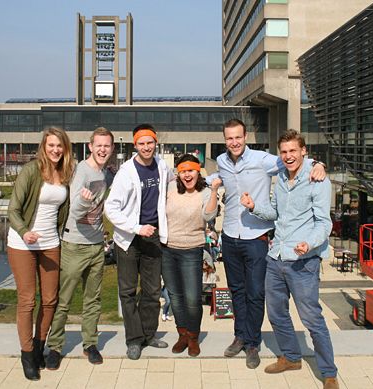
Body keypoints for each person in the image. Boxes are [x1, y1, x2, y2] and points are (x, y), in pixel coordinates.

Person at [208, 118, 326, 369]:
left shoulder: (264, 160)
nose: (234, 142)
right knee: (236, 291)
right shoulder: (221, 162)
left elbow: (292, 161)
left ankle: (253, 343)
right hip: (230, 235)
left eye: (238, 137)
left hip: (257, 237)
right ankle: (240, 336)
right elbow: (213, 177)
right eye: (229, 138)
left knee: (255, 293)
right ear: (225, 140)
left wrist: (318, 164)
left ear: (245, 137)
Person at [240, 129, 338, 389]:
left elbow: (324, 223)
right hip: (277, 257)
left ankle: (328, 373)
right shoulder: (281, 177)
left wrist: (310, 243)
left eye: (293, 151)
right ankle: (291, 357)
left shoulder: (317, 178)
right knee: (276, 313)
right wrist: (253, 207)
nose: (288, 156)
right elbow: (275, 213)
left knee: (311, 319)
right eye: (284, 152)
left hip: (304, 260)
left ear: (304, 151)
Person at [45, 127, 115, 368]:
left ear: (112, 148)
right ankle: (54, 347)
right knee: (63, 300)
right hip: (74, 245)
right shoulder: (80, 171)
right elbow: (74, 212)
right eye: (99, 145)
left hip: (96, 245)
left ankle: (90, 344)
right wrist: (85, 201)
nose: (102, 149)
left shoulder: (105, 173)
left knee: (93, 300)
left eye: (107, 146)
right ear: (90, 146)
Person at [6, 127, 73, 381]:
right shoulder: (32, 170)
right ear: (43, 147)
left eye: (59, 146)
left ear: (65, 148)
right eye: (51, 145)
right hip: (22, 243)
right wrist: (24, 231)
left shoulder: (65, 172)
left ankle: (38, 347)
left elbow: (66, 208)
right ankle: (26, 355)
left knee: (50, 299)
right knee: (27, 300)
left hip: (50, 243)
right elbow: (13, 209)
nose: (55, 150)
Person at [104, 123, 174, 360]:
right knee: (128, 290)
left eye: (150, 142)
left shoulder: (162, 166)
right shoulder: (126, 172)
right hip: (129, 238)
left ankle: (148, 334)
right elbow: (110, 208)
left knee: (153, 291)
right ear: (136, 145)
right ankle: (134, 339)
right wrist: (136, 227)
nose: (146, 147)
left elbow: (176, 183)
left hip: (153, 235)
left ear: (156, 143)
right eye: (142, 143)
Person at [162, 154, 220, 357]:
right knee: (175, 297)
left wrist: (213, 191)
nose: (187, 175)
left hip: (192, 250)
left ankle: (194, 337)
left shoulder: (204, 191)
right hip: (168, 250)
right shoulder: (169, 189)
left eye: (191, 170)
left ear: (198, 171)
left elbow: (208, 216)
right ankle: (182, 334)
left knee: (192, 298)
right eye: (183, 171)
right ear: (178, 173)